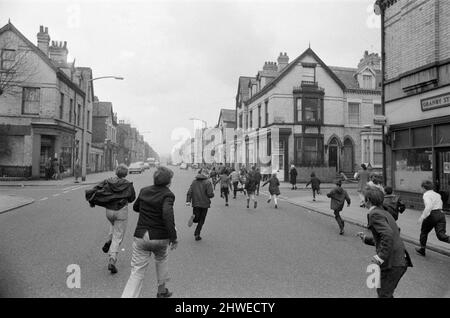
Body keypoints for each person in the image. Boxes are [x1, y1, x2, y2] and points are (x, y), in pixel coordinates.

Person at [121, 167, 177, 298]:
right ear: (168, 182)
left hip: (142, 236)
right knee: (161, 259)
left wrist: (147, 208)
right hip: (160, 238)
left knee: (137, 272)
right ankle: (161, 291)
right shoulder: (168, 194)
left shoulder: (144, 191)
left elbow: (136, 207)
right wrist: (173, 238)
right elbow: (167, 215)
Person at [356, 186, 413, 298]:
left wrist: (380, 257)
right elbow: (386, 236)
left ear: (368, 200)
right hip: (398, 260)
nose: (361, 199)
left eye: (363, 197)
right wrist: (366, 239)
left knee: (384, 294)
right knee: (384, 293)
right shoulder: (384, 212)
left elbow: (388, 235)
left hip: (393, 262)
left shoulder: (375, 214)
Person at [86, 164, 136, 274]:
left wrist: (92, 201)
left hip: (109, 211)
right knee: (118, 236)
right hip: (121, 211)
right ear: (126, 173)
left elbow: (95, 189)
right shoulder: (127, 184)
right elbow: (132, 198)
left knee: (113, 225)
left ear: (116, 172)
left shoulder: (108, 181)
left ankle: (109, 240)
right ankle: (112, 259)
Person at [415, 180, 450, 257]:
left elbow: (429, 206)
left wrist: (422, 217)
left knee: (424, 232)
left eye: (422, 188)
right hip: (441, 214)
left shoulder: (426, 195)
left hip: (432, 215)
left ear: (424, 188)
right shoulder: (437, 195)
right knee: (441, 235)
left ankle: (422, 249)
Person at [186, 169, 215, 241]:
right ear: (206, 174)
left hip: (195, 203)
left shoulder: (194, 182)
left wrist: (188, 201)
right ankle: (197, 234)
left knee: (196, 217)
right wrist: (212, 195)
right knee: (202, 220)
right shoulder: (208, 182)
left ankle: (194, 218)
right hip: (205, 204)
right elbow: (210, 194)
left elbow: (189, 192)